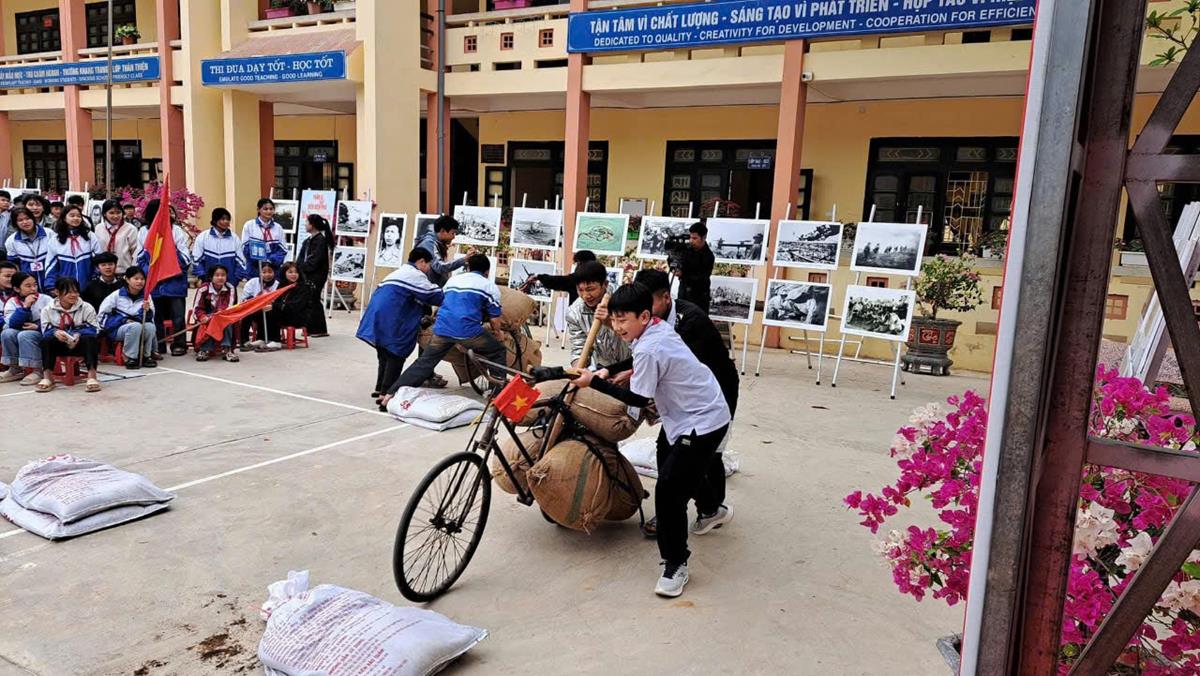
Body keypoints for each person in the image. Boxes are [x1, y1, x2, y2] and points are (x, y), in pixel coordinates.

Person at [570, 283, 731, 598]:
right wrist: (607, 371)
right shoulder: (655, 327)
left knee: (669, 491)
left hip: (701, 421)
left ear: (644, 316)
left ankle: (675, 564)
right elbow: (637, 361)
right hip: (691, 413)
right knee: (671, 461)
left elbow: (639, 398)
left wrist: (593, 382)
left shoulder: (649, 347)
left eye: (623, 320)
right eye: (613, 319)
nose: (617, 327)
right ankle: (713, 510)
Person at [609, 268, 740, 537]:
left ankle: (709, 509)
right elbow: (648, 357)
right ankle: (704, 508)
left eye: (647, 304)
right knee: (670, 452)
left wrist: (621, 376)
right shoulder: (653, 325)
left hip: (715, 391)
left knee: (707, 457)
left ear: (665, 298)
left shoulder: (691, 320)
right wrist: (615, 369)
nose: (643, 310)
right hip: (684, 403)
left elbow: (668, 363)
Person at [384, 253, 505, 398]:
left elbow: (442, 302)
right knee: (497, 351)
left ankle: (390, 394)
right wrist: (498, 333)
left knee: (424, 363)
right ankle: (497, 394)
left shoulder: (453, 280)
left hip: (442, 329)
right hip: (468, 332)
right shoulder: (488, 286)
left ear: (468, 268)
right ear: (487, 271)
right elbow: (495, 320)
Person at [358, 248, 444, 402]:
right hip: (393, 317)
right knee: (396, 354)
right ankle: (387, 394)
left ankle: (380, 388)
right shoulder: (415, 275)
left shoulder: (398, 272)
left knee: (384, 351)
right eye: (429, 265)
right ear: (421, 261)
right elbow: (434, 295)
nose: (429, 268)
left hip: (376, 315)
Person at [137, 198, 193, 356]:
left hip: (174, 281)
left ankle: (179, 344)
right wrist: (152, 271)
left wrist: (169, 260)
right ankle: (159, 345)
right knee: (156, 316)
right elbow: (140, 257)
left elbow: (185, 257)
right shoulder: (144, 231)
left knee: (178, 316)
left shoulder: (176, 231)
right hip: (154, 282)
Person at [37, 277, 102, 393]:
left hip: (80, 345)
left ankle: (92, 377)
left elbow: (95, 329)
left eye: (76, 292)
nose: (73, 295)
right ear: (57, 292)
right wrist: (55, 332)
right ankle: (48, 377)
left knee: (90, 339)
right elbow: (45, 330)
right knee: (46, 341)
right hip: (60, 345)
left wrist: (78, 334)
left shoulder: (86, 307)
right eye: (69, 292)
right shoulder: (47, 309)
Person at [565, 260, 631, 369]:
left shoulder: (625, 300)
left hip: (631, 365)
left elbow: (637, 340)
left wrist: (611, 323)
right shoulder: (574, 313)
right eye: (580, 290)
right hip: (603, 368)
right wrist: (577, 369)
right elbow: (578, 347)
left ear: (605, 284)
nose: (586, 296)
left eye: (590, 289)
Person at [98, 266, 158, 370]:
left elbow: (151, 319)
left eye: (142, 279)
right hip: (117, 329)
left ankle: (146, 355)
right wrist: (123, 320)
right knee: (135, 326)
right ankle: (130, 357)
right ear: (127, 279)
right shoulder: (116, 296)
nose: (139, 282)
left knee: (150, 327)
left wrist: (147, 312)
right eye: (136, 278)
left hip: (138, 327)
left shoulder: (146, 297)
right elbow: (102, 317)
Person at [0, 272, 51, 385]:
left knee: (25, 335)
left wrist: (37, 327)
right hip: (22, 331)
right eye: (28, 286)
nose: (33, 289)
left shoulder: (46, 299)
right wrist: (25, 307)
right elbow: (12, 323)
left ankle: (38, 370)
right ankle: (15, 368)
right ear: (17, 289)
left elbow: (54, 321)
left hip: (43, 333)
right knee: (7, 333)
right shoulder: (12, 302)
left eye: (35, 285)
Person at [44, 205, 99, 290]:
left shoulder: (90, 236)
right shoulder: (55, 239)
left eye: (79, 216)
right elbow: (51, 266)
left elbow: (98, 259)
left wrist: (95, 280)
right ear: (64, 218)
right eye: (72, 215)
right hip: (65, 288)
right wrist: (51, 285)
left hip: (89, 287)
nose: (76, 218)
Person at [192, 265, 239, 362]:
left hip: (223, 316)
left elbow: (229, 308)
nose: (220, 278)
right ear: (211, 277)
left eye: (223, 275)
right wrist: (202, 317)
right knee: (207, 323)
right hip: (207, 317)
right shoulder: (203, 289)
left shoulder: (230, 288)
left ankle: (227, 350)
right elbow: (197, 308)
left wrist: (217, 315)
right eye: (217, 275)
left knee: (227, 322)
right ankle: (204, 350)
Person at [297, 213, 332, 336]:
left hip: (316, 275)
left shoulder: (321, 241)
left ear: (312, 225)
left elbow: (315, 260)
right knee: (308, 300)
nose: (305, 225)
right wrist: (297, 269)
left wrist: (303, 268)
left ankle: (319, 329)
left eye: (307, 222)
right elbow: (301, 258)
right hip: (306, 274)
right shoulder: (307, 241)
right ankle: (309, 327)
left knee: (314, 299)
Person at [193, 207, 246, 283]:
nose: (226, 221)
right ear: (215, 220)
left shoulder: (234, 238)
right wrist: (203, 277)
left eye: (228, 219)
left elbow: (241, 262)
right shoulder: (203, 237)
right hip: (208, 283)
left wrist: (235, 280)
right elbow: (196, 260)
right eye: (223, 219)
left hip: (229, 283)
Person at [415, 215, 468, 287]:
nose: (453, 237)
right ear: (443, 231)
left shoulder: (437, 243)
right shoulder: (429, 243)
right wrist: (464, 259)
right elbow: (440, 267)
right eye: (452, 233)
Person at [4, 207, 51, 290]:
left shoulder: (49, 233)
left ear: (33, 218)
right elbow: (14, 264)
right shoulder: (11, 241)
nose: (25, 222)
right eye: (20, 220)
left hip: (49, 278)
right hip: (27, 283)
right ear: (15, 223)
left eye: (27, 218)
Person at [240, 263, 283, 350]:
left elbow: (278, 302)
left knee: (272, 312)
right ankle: (244, 341)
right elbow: (245, 299)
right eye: (264, 272)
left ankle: (270, 339)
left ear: (274, 272)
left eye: (270, 272)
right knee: (246, 314)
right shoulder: (252, 282)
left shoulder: (278, 285)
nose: (267, 275)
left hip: (269, 311)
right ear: (259, 273)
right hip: (254, 309)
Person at [675, 222, 715, 313]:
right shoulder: (686, 250)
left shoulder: (708, 256)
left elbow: (702, 278)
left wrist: (683, 274)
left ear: (703, 238)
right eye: (690, 237)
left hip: (699, 297)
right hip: (683, 293)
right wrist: (675, 268)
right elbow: (674, 260)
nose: (691, 241)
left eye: (694, 238)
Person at [241, 198, 287, 273]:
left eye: (271, 209)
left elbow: (283, 250)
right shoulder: (249, 225)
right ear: (258, 210)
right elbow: (245, 247)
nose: (269, 211)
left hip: (273, 269)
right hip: (254, 269)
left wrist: (270, 260)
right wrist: (261, 260)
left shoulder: (278, 228)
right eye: (265, 209)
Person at [94, 199, 140, 270]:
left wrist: (132, 270)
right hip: (103, 271)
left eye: (118, 212)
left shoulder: (131, 229)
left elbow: (136, 252)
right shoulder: (98, 228)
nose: (115, 216)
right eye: (111, 213)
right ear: (104, 214)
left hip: (124, 270)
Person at [0, 191, 12, 256]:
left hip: (5, 251)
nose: (6, 203)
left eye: (8, 201)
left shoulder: (11, 216)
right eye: (3, 200)